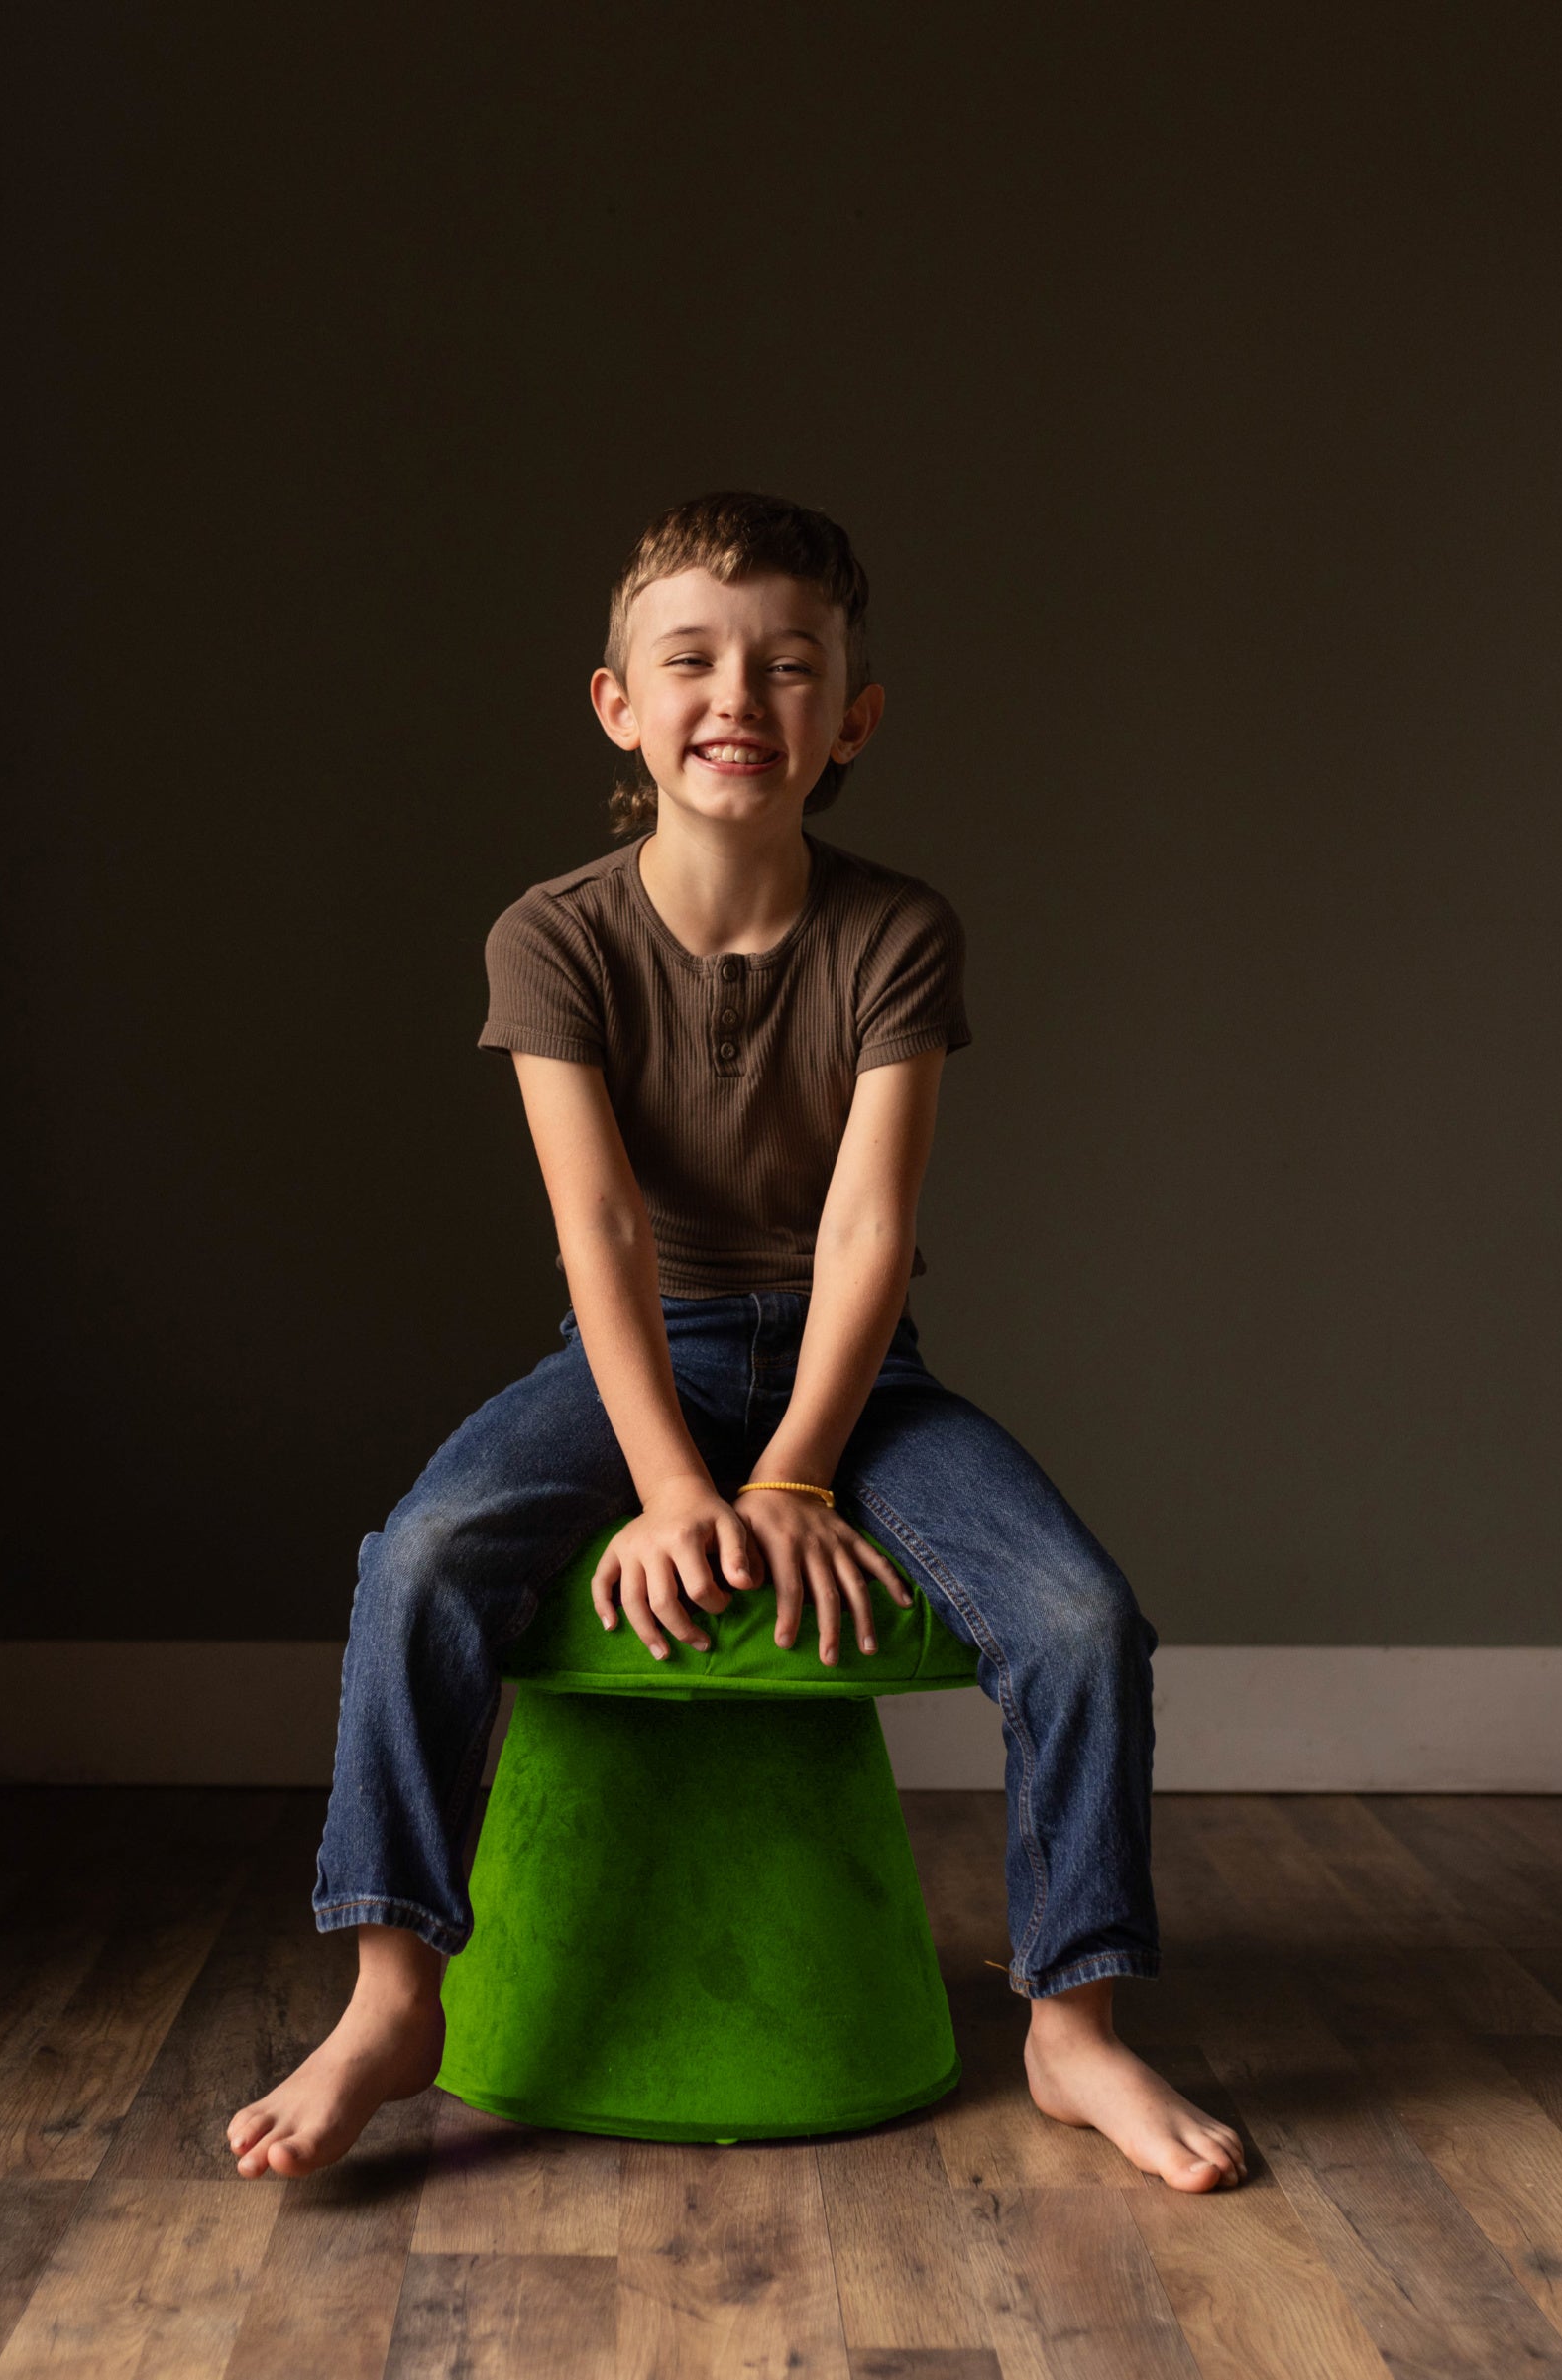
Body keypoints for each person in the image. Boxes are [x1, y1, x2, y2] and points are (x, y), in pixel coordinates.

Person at [227, 490, 1247, 2191]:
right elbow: (604, 1231)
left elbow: (865, 1233)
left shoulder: (897, 932)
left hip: (859, 1379)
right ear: (619, 706)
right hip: (641, 1351)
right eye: (689, 659)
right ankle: (391, 1989)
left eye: (788, 666)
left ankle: (1073, 2028)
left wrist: (788, 1473)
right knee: (419, 1561)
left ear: (849, 716)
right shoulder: (551, 935)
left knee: (1079, 1618)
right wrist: (669, 1481)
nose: (737, 696)